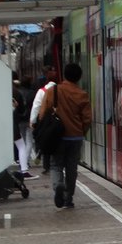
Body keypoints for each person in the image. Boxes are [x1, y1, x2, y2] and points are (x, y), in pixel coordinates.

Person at [49, 62, 92, 209]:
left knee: (55, 165)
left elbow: (42, 113)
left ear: (64, 75)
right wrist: (81, 132)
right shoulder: (82, 94)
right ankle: (68, 198)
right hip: (75, 137)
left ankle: (58, 185)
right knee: (72, 168)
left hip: (57, 137)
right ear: (79, 77)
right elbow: (87, 119)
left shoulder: (53, 91)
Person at [29, 73, 56, 171]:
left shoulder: (42, 91)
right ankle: (54, 162)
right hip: (58, 120)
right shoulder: (60, 90)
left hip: (44, 120)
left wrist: (32, 120)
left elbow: (36, 106)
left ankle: (46, 164)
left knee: (45, 139)